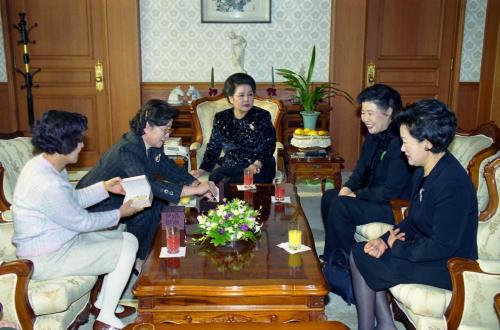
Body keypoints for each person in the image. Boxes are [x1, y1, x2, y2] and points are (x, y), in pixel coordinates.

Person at [350, 99, 478, 330]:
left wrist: (396, 247)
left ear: (427, 143)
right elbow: (412, 219)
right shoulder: (426, 169)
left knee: (365, 259)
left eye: (406, 141)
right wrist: (384, 240)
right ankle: (385, 325)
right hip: (426, 251)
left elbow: (443, 245)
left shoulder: (452, 184)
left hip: (448, 267)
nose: (401, 148)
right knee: (364, 250)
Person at [12, 110, 141, 330]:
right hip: (46, 258)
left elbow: (72, 200)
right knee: (125, 248)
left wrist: (104, 187)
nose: (82, 145)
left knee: (127, 238)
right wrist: (121, 213)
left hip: (61, 241)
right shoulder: (45, 183)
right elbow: (82, 222)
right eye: (78, 140)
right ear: (65, 143)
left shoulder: (46, 164)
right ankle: (105, 319)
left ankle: (102, 306)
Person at [77, 99, 216, 273]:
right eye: (165, 130)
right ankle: (133, 257)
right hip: (97, 204)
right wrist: (194, 191)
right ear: (147, 126)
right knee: (145, 205)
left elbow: (166, 166)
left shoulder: (152, 143)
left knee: (159, 202)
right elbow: (147, 186)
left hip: (122, 195)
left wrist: (194, 182)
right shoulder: (128, 149)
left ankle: (142, 257)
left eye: (169, 130)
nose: (167, 135)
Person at [321, 84, 413, 262]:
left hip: (394, 205)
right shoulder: (374, 134)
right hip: (374, 195)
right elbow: (361, 169)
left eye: (370, 113)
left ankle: (342, 265)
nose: (365, 118)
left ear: (389, 112)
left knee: (342, 206)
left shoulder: (401, 142)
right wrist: (347, 187)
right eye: (363, 113)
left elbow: (390, 190)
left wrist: (356, 195)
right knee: (330, 198)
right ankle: (335, 256)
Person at [191, 73, 276, 184]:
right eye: (241, 95)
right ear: (231, 98)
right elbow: (214, 146)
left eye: (250, 94)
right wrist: (202, 170)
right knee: (216, 175)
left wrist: (257, 163)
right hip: (234, 165)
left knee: (250, 180)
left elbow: (269, 145)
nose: (247, 99)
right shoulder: (222, 118)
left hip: (259, 165)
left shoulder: (262, 115)